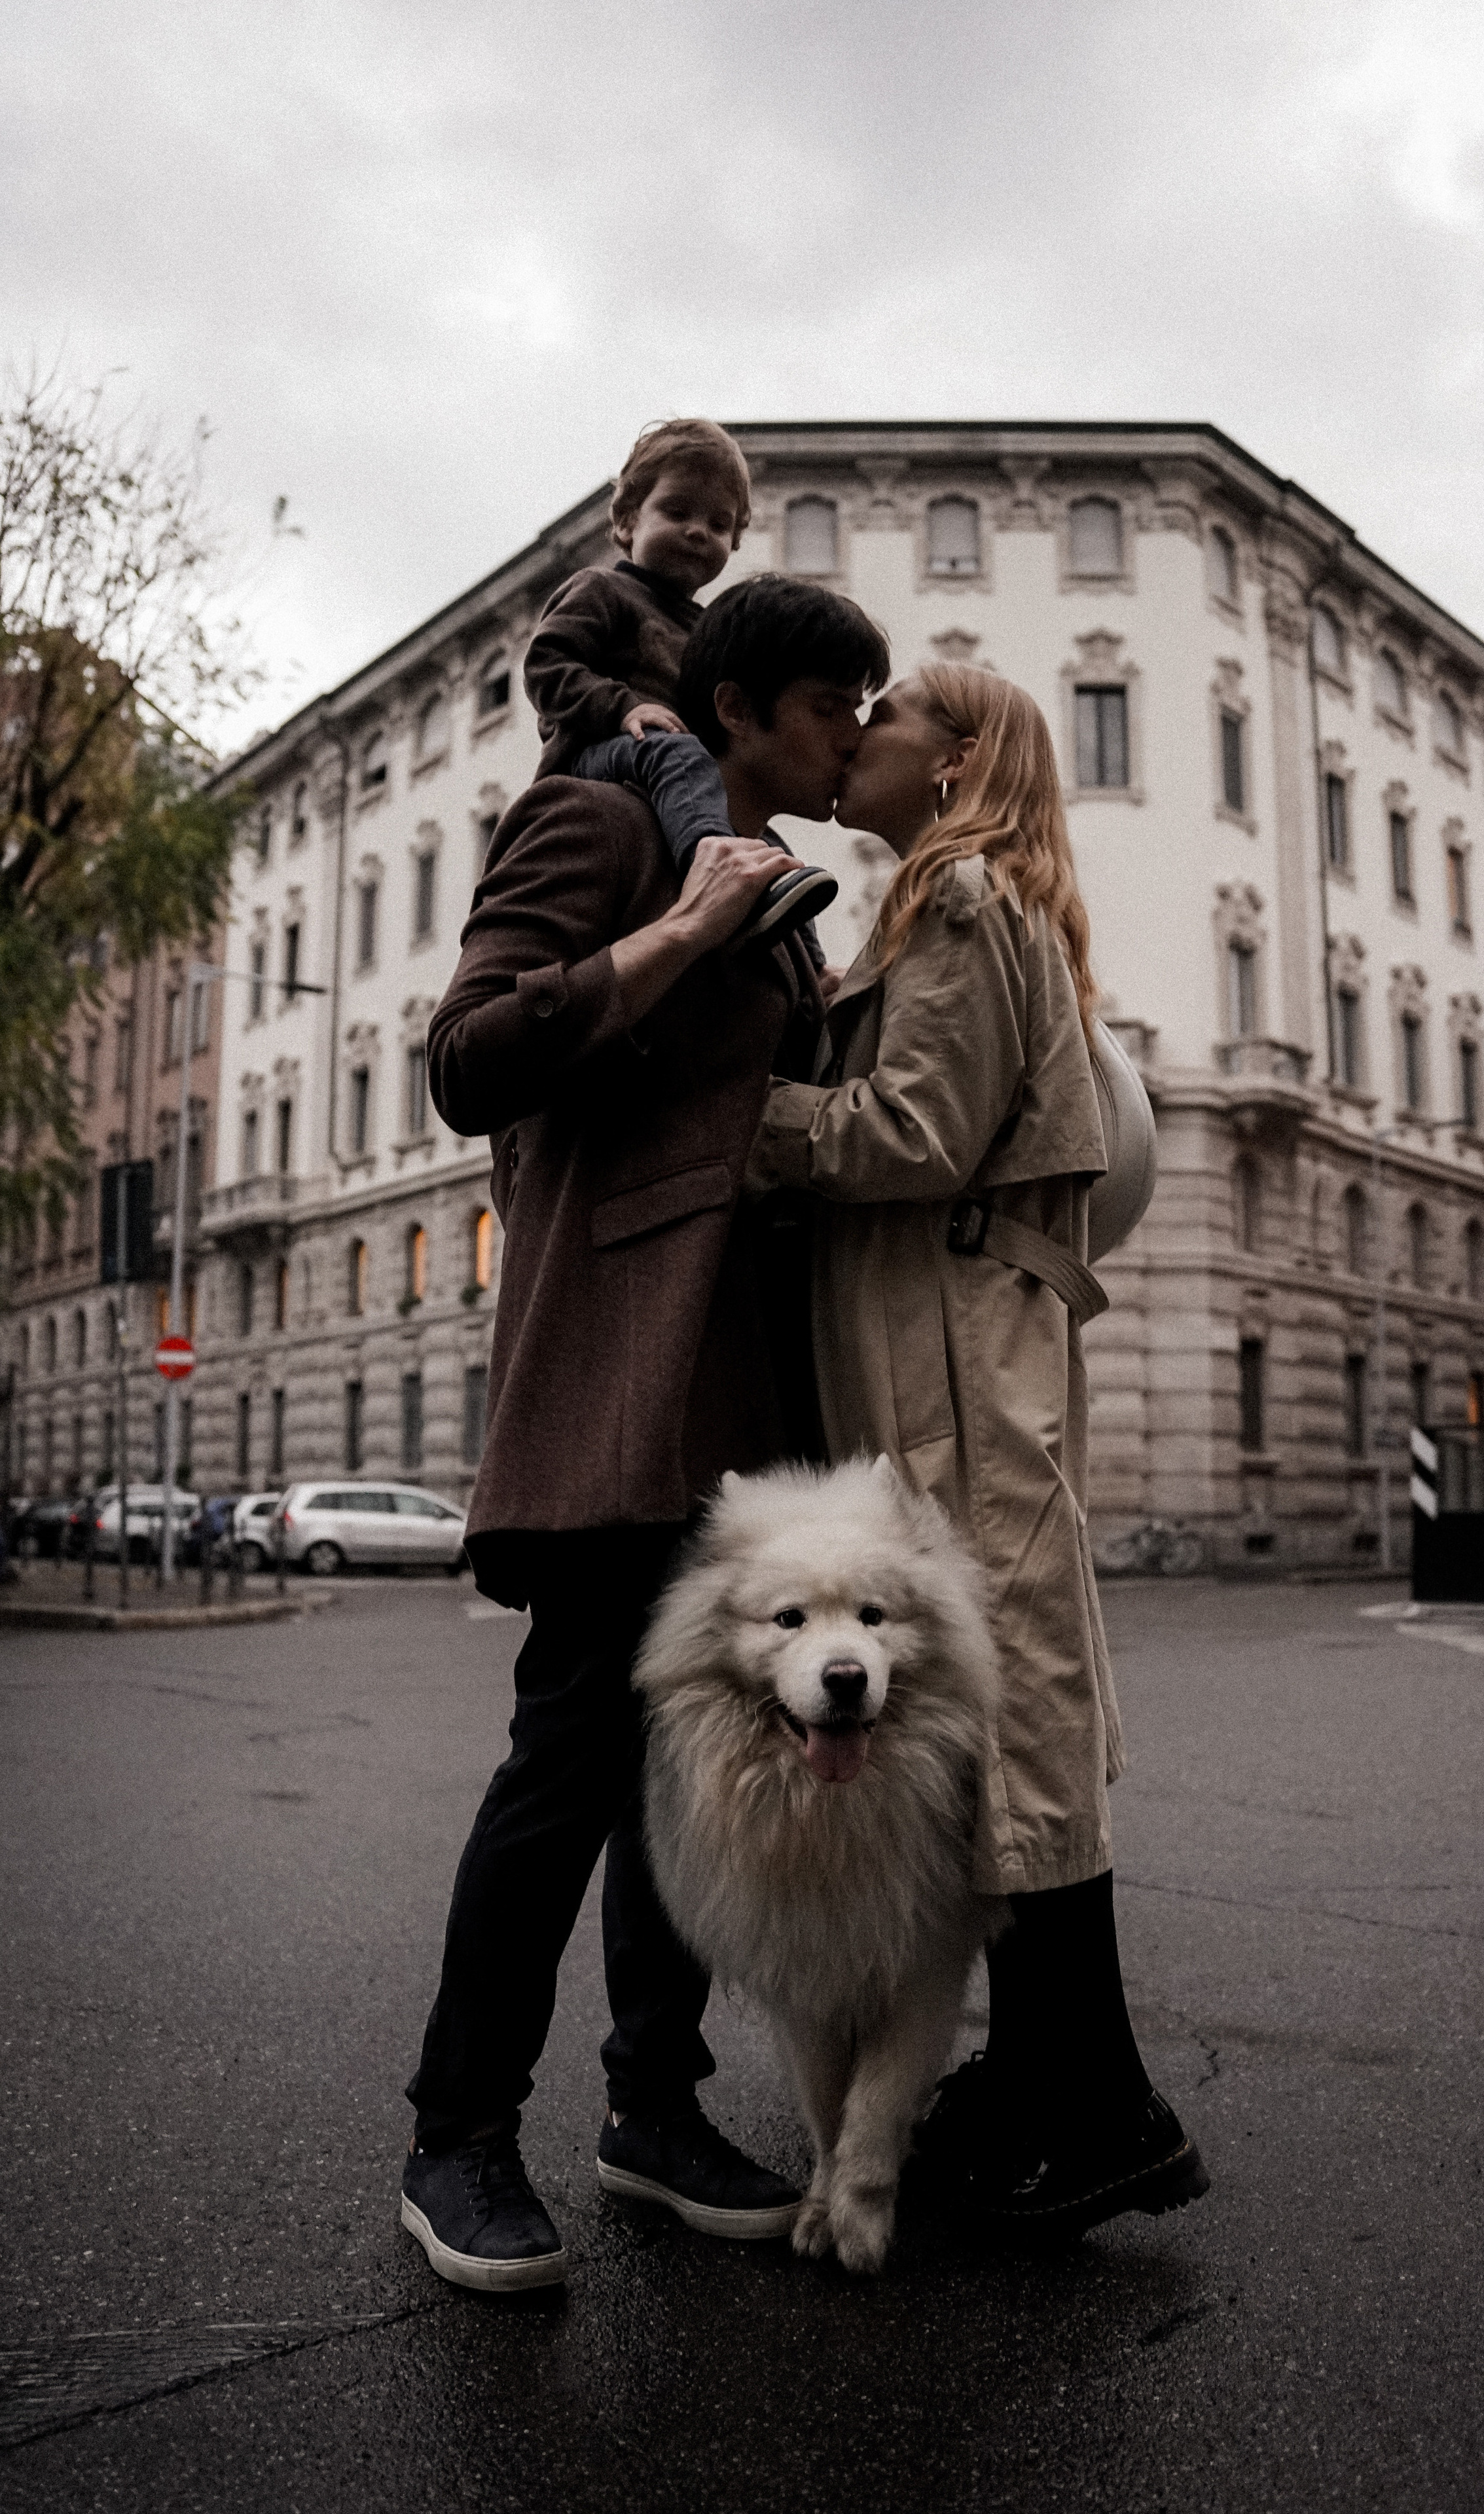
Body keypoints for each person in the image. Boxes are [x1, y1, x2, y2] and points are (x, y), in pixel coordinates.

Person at [401, 574, 892, 2293]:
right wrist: (682, 930)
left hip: (755, 1401)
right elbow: (464, 1059)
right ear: (745, 704)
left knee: (690, 1788)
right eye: (843, 704)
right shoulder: (600, 814)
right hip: (625, 1365)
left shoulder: (798, 907)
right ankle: (456, 2137)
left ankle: (651, 2113)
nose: (863, 735)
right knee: (572, 1767)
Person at [747, 664, 1209, 2240]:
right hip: (937, 1342)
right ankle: (1044, 2078)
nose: (854, 738)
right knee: (1002, 1692)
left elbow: (914, 1132)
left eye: (880, 721)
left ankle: (1099, 2104)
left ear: (951, 763)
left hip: (948, 1351)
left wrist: (746, 1117)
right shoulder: (956, 902)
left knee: (1008, 1696)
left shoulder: (955, 899)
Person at [523, 416, 838, 954]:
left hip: (678, 772)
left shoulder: (707, 631)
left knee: (765, 841)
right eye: (677, 511)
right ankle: (709, 870)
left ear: (735, 543)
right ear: (626, 522)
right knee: (679, 758)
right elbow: (548, 664)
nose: (698, 531)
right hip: (600, 757)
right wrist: (622, 708)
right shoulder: (602, 590)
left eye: (718, 524)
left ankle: (812, 967)